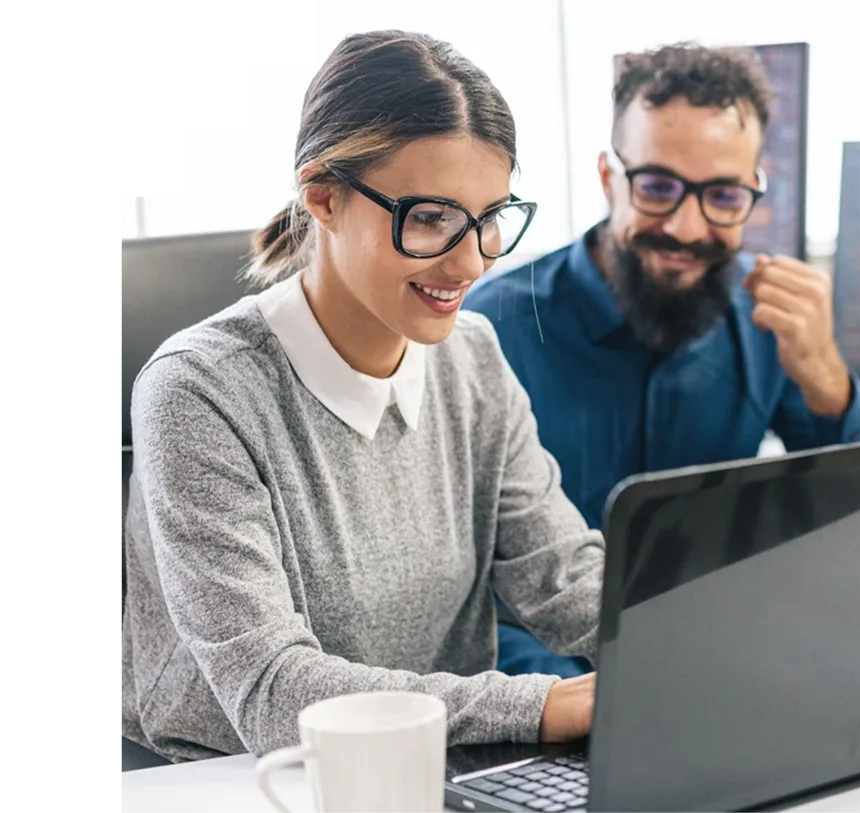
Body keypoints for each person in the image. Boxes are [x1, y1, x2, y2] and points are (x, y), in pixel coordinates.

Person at [119, 30, 601, 763]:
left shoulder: (471, 357)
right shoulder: (197, 391)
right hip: (233, 779)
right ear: (324, 196)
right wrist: (538, 704)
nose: (471, 260)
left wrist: (709, 649)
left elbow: (561, 575)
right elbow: (273, 689)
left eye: (491, 217)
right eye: (432, 217)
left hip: (433, 761)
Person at [464, 43, 860, 678]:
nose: (690, 228)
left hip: (722, 673)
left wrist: (829, 380)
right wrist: (595, 700)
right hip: (544, 701)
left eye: (723, 196)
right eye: (659, 188)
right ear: (610, 179)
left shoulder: (766, 318)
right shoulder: (493, 329)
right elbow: (464, 599)